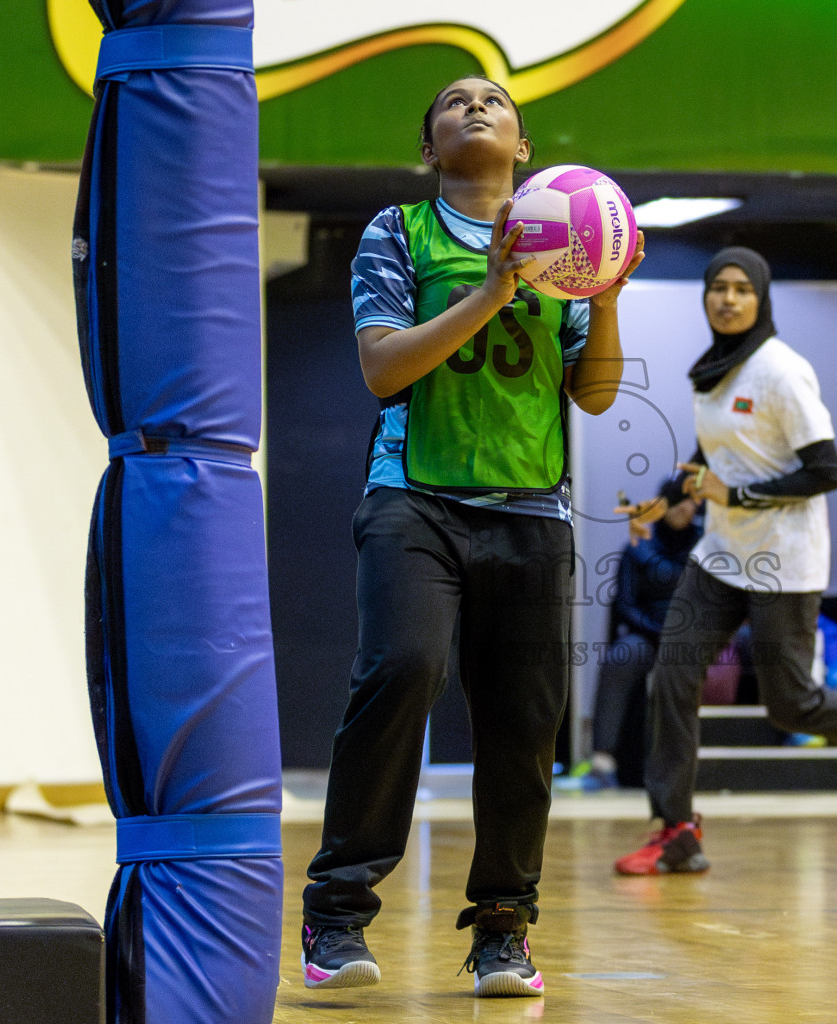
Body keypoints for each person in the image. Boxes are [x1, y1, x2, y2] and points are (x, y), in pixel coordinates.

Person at [299, 75, 645, 998]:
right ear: (430, 147)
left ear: (525, 148)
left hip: (533, 509)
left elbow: (597, 392)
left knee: (526, 721)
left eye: (495, 101)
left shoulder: (570, 246)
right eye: (452, 102)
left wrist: (605, 294)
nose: (477, 108)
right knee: (404, 670)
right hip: (414, 496)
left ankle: (504, 926)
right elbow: (382, 370)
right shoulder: (398, 233)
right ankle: (335, 912)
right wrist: (495, 288)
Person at [614, 246, 837, 877]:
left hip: (785, 558)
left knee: (792, 705)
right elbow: (710, 452)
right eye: (717, 287)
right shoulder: (713, 371)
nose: (727, 298)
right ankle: (677, 831)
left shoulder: (782, 371)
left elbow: (825, 470)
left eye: (741, 289)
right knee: (670, 676)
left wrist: (738, 494)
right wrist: (662, 499)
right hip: (722, 554)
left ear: (761, 299)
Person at [583, 478, 703, 790]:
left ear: (697, 504)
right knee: (622, 655)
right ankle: (602, 762)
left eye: (688, 501)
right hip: (647, 636)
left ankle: (686, 767)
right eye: (674, 501)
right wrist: (660, 632)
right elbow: (624, 604)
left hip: (694, 639)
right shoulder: (639, 545)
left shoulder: (707, 545)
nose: (682, 508)